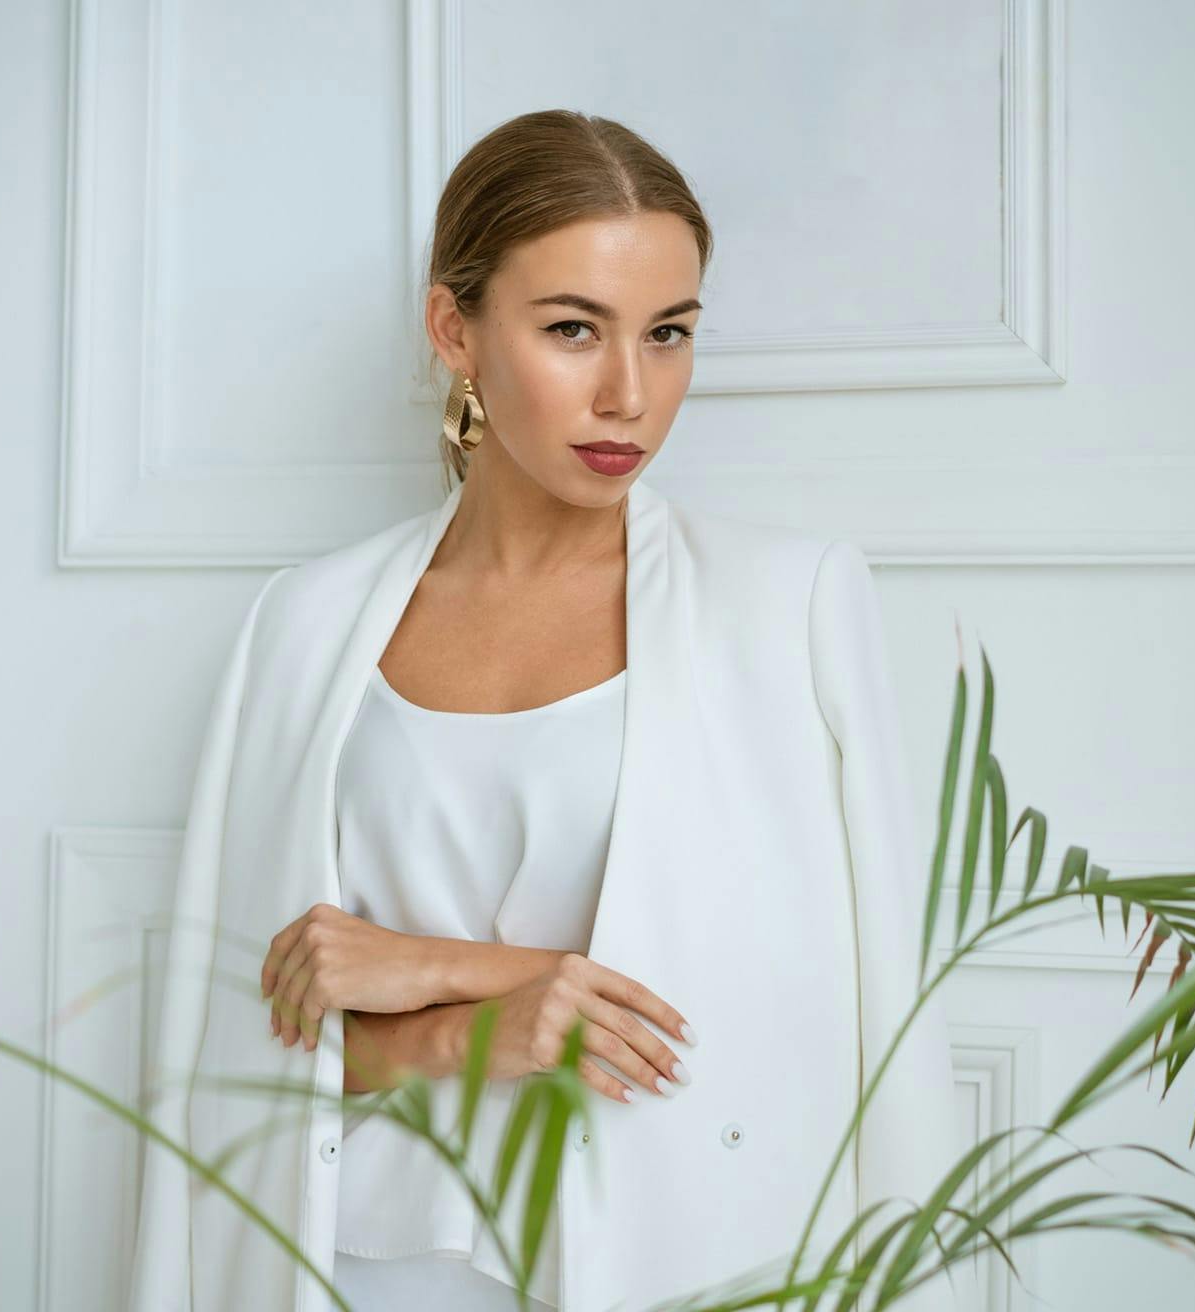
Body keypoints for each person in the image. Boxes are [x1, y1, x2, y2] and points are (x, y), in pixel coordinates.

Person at [128, 109, 970, 1312]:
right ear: (453, 329)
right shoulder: (301, 627)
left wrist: (433, 965)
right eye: (574, 329)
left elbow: (827, 1021)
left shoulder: (788, 607)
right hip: (361, 1261)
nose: (630, 392)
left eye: (668, 333)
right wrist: (454, 1032)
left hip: (666, 1261)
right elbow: (239, 1047)